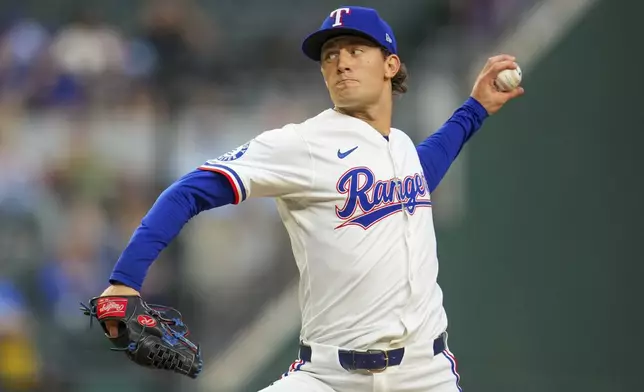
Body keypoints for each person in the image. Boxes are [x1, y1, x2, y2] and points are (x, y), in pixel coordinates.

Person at [98, 6, 523, 391]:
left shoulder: (402, 149)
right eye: (330, 55)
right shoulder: (303, 144)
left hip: (425, 375)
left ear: (391, 65)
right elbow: (190, 190)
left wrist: (475, 108)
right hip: (329, 378)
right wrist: (124, 279)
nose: (341, 61)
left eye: (356, 49)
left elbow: (425, 166)